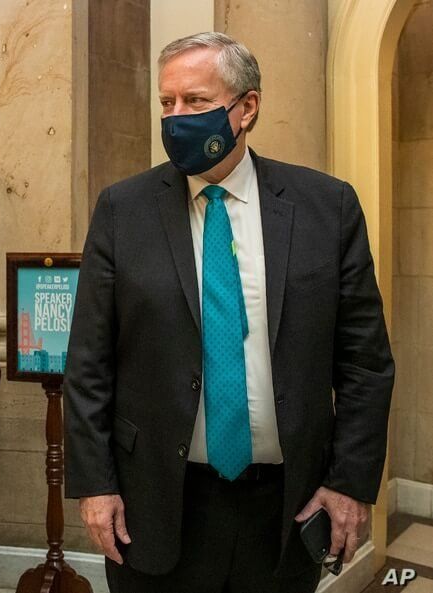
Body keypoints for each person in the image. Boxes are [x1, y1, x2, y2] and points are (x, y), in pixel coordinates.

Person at [63, 32, 394, 593]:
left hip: (287, 505)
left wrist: (350, 483)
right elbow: (90, 361)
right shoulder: (123, 209)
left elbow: (364, 362)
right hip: (156, 501)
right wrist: (95, 485)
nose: (176, 117)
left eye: (195, 101)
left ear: (247, 108)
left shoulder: (326, 206)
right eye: (166, 103)